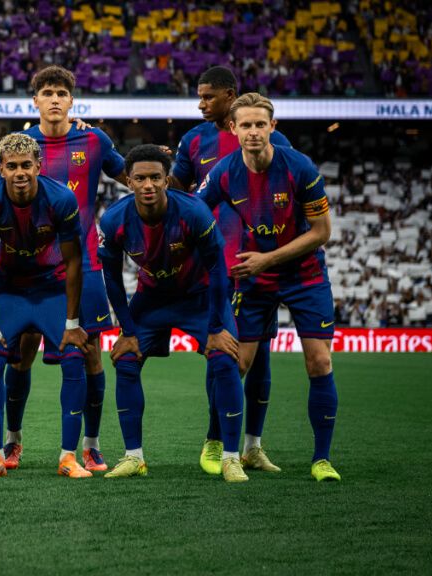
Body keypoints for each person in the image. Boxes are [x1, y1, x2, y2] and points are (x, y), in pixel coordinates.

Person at [0, 65, 126, 473]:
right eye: (46, 93)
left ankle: (91, 445)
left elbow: (133, 176)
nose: (54, 99)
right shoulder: (21, 146)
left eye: (61, 93)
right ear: (35, 101)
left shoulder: (94, 139)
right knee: (21, 355)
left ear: (71, 100)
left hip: (84, 263)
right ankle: (13, 441)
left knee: (89, 354)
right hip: (27, 270)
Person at [198, 93, 341, 482]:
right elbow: (195, 210)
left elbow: (322, 232)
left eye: (260, 124)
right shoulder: (225, 172)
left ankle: (321, 460)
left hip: (305, 275)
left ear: (272, 127)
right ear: (233, 128)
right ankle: (221, 446)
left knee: (319, 362)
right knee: (236, 363)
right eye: (246, 125)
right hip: (255, 277)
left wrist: (268, 259)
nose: (253, 132)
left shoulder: (300, 167)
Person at [98, 144, 247, 482]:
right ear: (128, 182)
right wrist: (128, 331)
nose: (148, 184)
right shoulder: (113, 220)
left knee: (225, 359)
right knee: (125, 360)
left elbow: (218, 269)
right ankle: (134, 456)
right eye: (140, 178)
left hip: (199, 297)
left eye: (155, 177)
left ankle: (230, 457)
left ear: (167, 180)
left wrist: (216, 328)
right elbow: (112, 278)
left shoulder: (194, 212)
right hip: (152, 299)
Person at [171, 66, 292, 476]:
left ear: (230, 95)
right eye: (199, 97)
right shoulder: (194, 140)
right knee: (225, 355)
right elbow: (177, 193)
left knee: (262, 358)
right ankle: (215, 441)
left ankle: (253, 447)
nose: (201, 104)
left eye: (208, 96)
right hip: (217, 265)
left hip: (263, 261)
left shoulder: (273, 141)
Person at [0, 133, 92, 479]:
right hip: (9, 287)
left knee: (73, 355)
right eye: (12, 166)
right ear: (1, 169)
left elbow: (74, 262)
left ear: (39, 166)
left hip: (51, 286)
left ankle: (69, 457)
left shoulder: (61, 198)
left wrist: (72, 324)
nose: (20, 172)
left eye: (26, 165)